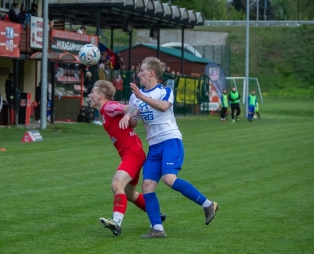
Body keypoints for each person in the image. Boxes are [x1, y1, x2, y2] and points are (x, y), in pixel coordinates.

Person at [121, 57, 218, 238]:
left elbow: (164, 107)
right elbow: (134, 121)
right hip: (154, 146)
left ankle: (208, 204)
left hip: (171, 140)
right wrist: (127, 116)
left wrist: (142, 97)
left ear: (151, 73)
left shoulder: (163, 91)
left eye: (142, 70)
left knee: (169, 179)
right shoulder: (134, 96)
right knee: (147, 185)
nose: (138, 74)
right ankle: (157, 229)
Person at [88, 80, 165, 236]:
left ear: (100, 96)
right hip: (133, 153)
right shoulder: (105, 111)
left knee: (117, 184)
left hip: (133, 154)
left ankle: (116, 223)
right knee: (129, 194)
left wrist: (128, 114)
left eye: (92, 93)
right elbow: (133, 122)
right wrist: (129, 119)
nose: (89, 95)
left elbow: (132, 108)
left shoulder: (108, 107)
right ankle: (156, 215)